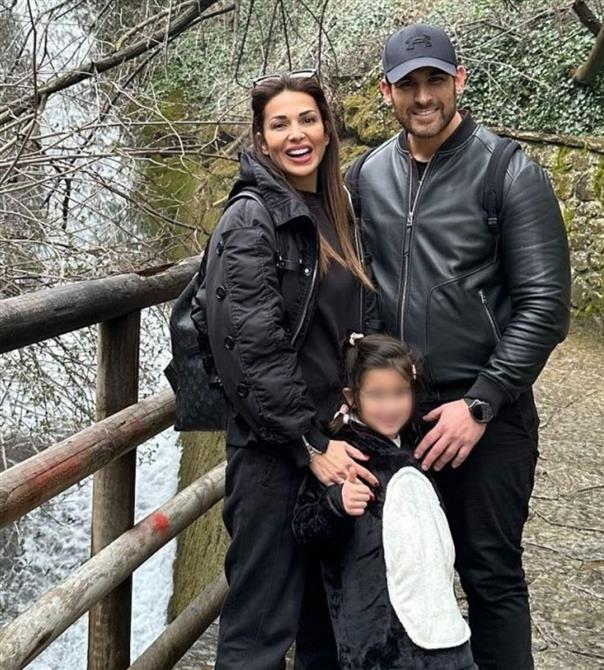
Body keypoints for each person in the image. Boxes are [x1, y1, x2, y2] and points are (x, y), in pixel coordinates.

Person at [345, 24, 571, 670]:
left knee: (489, 576)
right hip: (396, 417)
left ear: (459, 80)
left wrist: (481, 403)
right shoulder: (368, 177)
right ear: (386, 91)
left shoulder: (507, 171)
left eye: (435, 81)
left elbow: (546, 306)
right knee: (402, 577)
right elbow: (355, 287)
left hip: (485, 418)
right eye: (409, 85)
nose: (423, 97)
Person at [200, 70, 380, 670]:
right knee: (259, 631)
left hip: (332, 441)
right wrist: (310, 444)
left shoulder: (337, 209)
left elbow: (354, 319)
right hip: (276, 456)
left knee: (324, 624)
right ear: (261, 139)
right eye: (279, 124)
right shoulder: (251, 219)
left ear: (327, 129)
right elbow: (250, 350)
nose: (296, 134)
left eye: (307, 119)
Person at [293, 332, 478, 670]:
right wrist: (336, 505)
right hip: (378, 642)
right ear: (352, 397)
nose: (390, 406)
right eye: (377, 395)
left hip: (436, 622)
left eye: (400, 393)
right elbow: (305, 528)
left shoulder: (411, 445)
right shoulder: (344, 455)